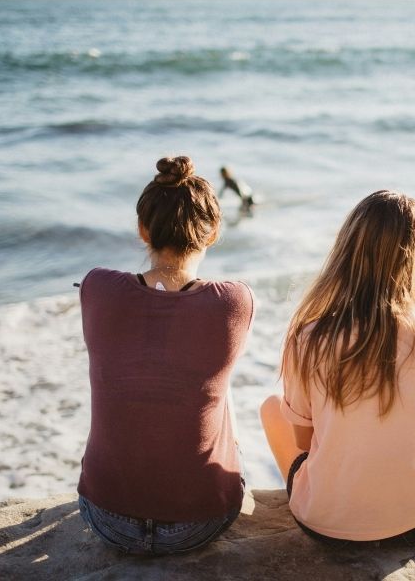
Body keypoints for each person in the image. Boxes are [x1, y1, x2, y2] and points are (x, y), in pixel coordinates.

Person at [260, 190, 415, 547]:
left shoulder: (309, 337)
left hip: (325, 526)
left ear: (346, 251)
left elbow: (306, 443)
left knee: (272, 407)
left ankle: (330, 500)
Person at [77, 155, 254, 555]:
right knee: (217, 390)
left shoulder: (97, 286)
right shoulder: (234, 301)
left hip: (108, 519)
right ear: (211, 234)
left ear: (143, 229)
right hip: (200, 522)